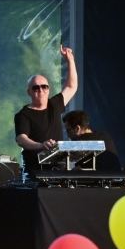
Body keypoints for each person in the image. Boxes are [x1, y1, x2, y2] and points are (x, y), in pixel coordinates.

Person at [14, 46, 78, 179]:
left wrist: (70, 60)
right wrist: (41, 146)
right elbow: (21, 139)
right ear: (29, 92)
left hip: (58, 170)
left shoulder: (54, 105)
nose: (40, 90)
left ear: (48, 89)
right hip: (35, 173)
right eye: (36, 88)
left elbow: (71, 87)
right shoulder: (23, 115)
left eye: (44, 86)